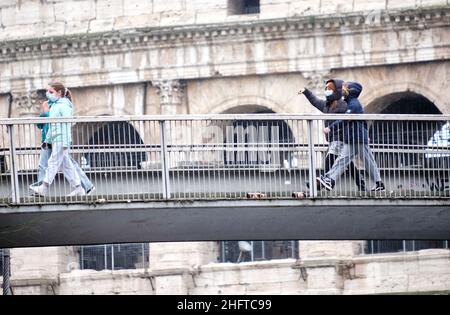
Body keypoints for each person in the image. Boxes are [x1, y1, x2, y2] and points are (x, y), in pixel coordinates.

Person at [298, 79, 366, 191]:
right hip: (333, 139)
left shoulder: (344, 105)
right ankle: (360, 183)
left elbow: (353, 117)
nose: (327, 91)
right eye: (326, 89)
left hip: (342, 138)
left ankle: (321, 184)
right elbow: (314, 101)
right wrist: (306, 91)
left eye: (330, 89)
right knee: (346, 162)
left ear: (336, 91)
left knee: (330, 159)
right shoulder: (326, 106)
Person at [317, 81, 385, 192]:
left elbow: (345, 119)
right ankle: (379, 183)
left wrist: (330, 128)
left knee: (345, 161)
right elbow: (363, 122)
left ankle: (330, 179)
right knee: (363, 161)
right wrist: (365, 134)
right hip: (355, 138)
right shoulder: (352, 103)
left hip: (356, 138)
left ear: (351, 91)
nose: (342, 90)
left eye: (345, 88)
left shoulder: (354, 105)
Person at [30, 82, 88, 197]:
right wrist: (48, 140)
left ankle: (44, 187)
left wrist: (66, 142)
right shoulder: (55, 105)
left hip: (61, 140)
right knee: (66, 165)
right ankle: (79, 188)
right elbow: (52, 126)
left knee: (53, 162)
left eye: (51, 92)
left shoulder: (64, 105)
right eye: (47, 91)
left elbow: (66, 125)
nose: (48, 94)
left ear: (60, 93)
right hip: (56, 139)